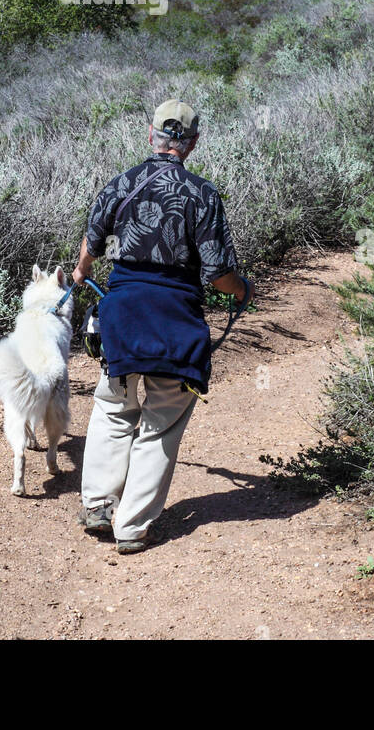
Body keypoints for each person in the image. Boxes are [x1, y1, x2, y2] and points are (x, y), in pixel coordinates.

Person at [73, 98, 251, 553]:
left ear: (151, 135)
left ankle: (97, 506)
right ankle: (131, 527)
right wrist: (242, 291)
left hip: (121, 317)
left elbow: (91, 246)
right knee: (162, 420)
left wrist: (80, 273)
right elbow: (217, 273)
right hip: (174, 321)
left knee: (114, 407)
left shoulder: (120, 183)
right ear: (192, 144)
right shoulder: (203, 195)